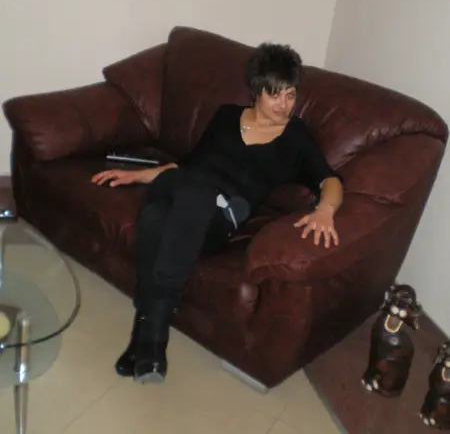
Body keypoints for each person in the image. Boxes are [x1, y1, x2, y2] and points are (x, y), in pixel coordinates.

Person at [92, 43, 343, 384]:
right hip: (183, 190)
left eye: (290, 95)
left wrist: (325, 210)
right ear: (256, 91)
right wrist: (136, 175)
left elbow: (330, 180)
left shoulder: (296, 137)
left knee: (155, 217)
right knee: (184, 192)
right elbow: (188, 167)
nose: (284, 105)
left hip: (218, 219)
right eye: (275, 95)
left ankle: (144, 333)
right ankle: (153, 339)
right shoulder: (226, 116)